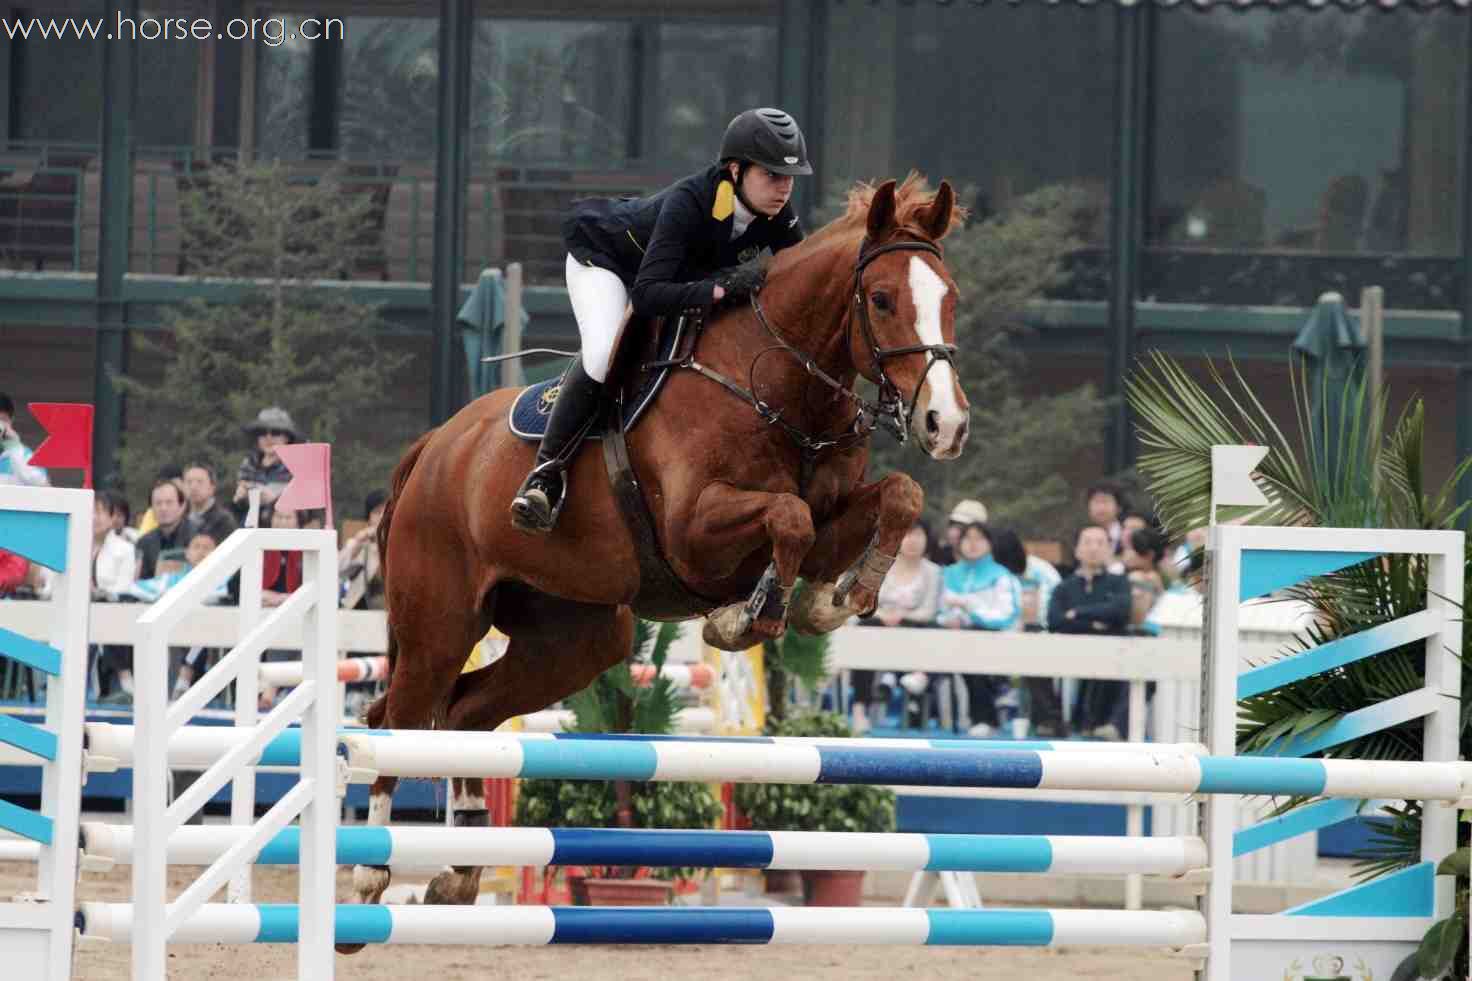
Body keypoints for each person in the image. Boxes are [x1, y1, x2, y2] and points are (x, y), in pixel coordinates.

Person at [509, 107, 813, 535]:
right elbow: (649, 295)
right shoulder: (690, 202)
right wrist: (720, 289)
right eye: (772, 176)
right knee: (602, 354)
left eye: (790, 177)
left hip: (668, 278)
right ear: (735, 170)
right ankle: (545, 476)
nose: (784, 189)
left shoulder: (778, 214)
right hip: (608, 264)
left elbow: (797, 276)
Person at [232, 407, 299, 525]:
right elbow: (237, 508)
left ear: (287, 437)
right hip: (248, 533)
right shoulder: (248, 465)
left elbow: (306, 513)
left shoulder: (297, 468)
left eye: (275, 432)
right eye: (262, 432)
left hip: (281, 535)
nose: (268, 437)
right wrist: (241, 497)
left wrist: (274, 500)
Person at [0, 392, 48, 488]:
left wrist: (14, 448)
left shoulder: (24, 455)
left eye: (2, 420)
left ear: (11, 421)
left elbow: (44, 488)